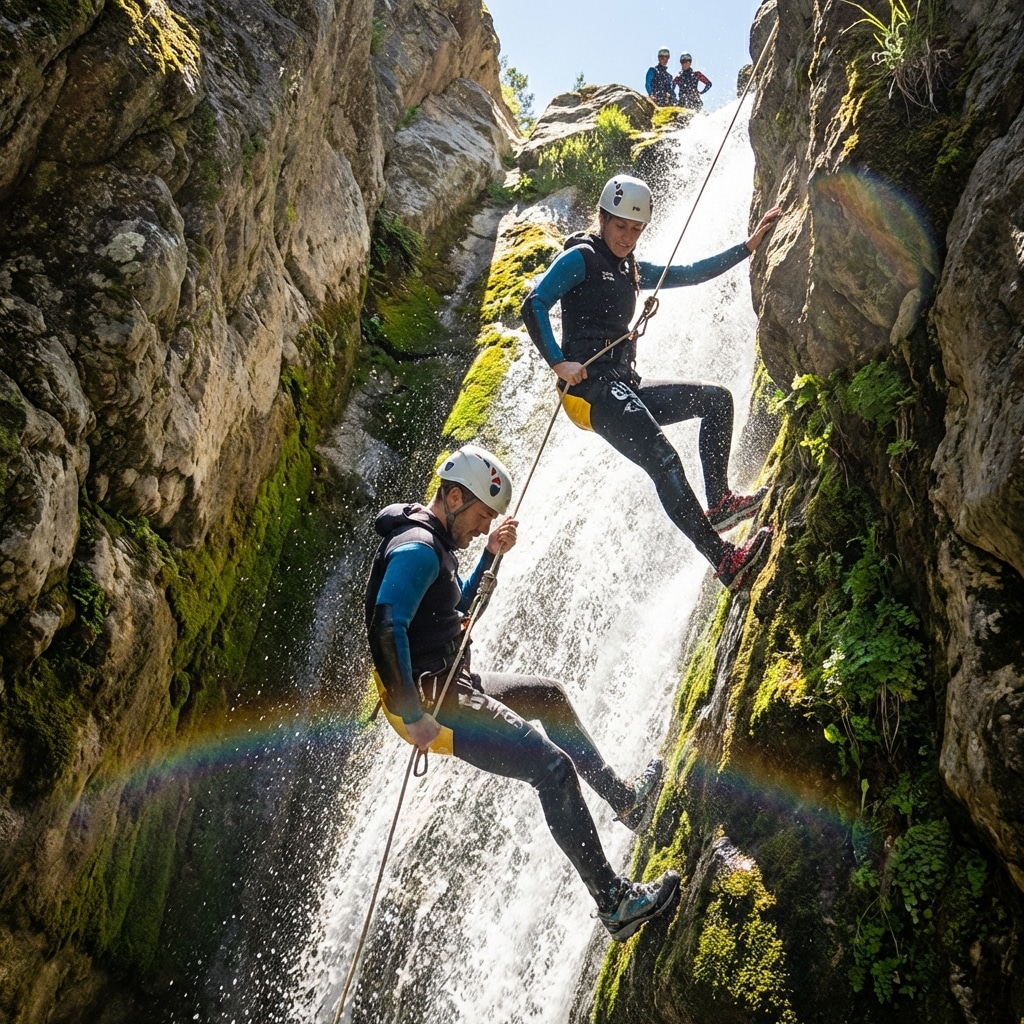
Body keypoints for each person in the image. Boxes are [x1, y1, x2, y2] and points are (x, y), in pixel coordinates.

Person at [364, 444, 680, 940]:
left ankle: (626, 803)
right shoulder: (418, 550)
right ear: (452, 497)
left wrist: (491, 556)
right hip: (431, 702)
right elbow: (387, 626)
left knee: (547, 696)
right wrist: (412, 715)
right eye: (480, 517)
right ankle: (614, 903)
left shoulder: (433, 545)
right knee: (552, 770)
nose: (481, 527)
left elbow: (452, 619)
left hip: (446, 684)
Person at [522, 175, 782, 592]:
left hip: (624, 384)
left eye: (636, 229)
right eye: (621, 226)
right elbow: (533, 303)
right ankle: (725, 562)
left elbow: (692, 273)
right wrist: (559, 363)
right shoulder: (581, 258)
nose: (628, 236)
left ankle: (720, 502)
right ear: (603, 219)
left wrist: (748, 247)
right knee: (663, 458)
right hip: (588, 389)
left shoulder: (633, 271)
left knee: (716, 401)